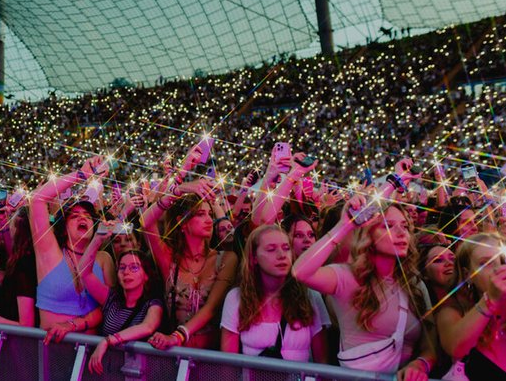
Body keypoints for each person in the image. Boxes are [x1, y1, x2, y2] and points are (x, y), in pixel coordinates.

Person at [293, 197, 437, 380]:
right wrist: (344, 226)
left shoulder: (414, 283)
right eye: (388, 226)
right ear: (368, 235)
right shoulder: (349, 278)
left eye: (405, 226)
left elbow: (430, 342)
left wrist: (421, 364)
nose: (401, 233)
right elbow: (301, 272)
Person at [142, 148, 238, 349]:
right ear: (182, 223)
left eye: (209, 214)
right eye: (200, 215)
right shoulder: (170, 260)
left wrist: (176, 337)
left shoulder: (226, 258)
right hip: (175, 357)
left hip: (211, 358)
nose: (209, 220)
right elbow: (145, 222)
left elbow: (211, 308)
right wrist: (178, 190)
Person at [28, 156, 115, 339]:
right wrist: (81, 175)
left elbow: (111, 307)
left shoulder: (103, 259)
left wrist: (73, 325)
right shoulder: (49, 252)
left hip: (91, 355)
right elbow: (37, 200)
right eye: (74, 216)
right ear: (64, 226)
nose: (82, 218)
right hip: (53, 354)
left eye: (87, 216)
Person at [221, 225, 330, 362]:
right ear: (254, 258)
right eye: (271, 249)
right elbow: (228, 363)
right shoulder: (236, 298)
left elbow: (323, 362)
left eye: (286, 248)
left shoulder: (311, 297)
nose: (282, 255)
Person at [78, 229, 163, 374]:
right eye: (122, 268)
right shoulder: (111, 297)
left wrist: (108, 340)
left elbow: (148, 327)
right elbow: (84, 271)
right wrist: (98, 239)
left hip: (138, 374)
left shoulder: (153, 304)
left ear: (146, 275)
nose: (126, 272)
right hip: (106, 372)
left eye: (134, 267)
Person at [436, 233, 506, 378]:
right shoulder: (453, 310)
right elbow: (455, 347)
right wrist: (490, 300)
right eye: (485, 263)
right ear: (469, 275)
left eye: (502, 260)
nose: (498, 269)